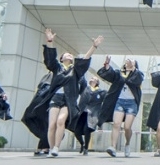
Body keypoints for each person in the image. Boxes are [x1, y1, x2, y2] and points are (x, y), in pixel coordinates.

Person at [21, 28, 103, 157]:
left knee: (60, 121)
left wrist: (93, 47)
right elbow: (50, 58)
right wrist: (49, 41)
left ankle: (56, 148)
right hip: (55, 98)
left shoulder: (75, 70)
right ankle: (51, 147)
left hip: (68, 100)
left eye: (71, 55)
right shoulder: (57, 69)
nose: (69, 55)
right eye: (66, 54)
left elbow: (85, 60)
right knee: (52, 124)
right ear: (61, 59)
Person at [97, 56, 144, 158]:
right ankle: (113, 147)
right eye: (128, 60)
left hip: (131, 103)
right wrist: (107, 66)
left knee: (127, 127)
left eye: (132, 61)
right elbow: (109, 74)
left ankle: (127, 144)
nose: (129, 62)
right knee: (116, 124)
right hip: (119, 102)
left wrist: (133, 69)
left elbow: (139, 79)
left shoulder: (137, 74)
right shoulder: (119, 73)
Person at [73, 75, 106, 155]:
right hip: (82, 113)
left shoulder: (101, 92)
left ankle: (86, 148)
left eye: (94, 79)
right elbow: (81, 79)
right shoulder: (85, 89)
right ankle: (82, 143)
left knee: (86, 129)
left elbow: (108, 100)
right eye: (91, 78)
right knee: (76, 131)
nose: (91, 79)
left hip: (93, 114)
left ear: (97, 82)